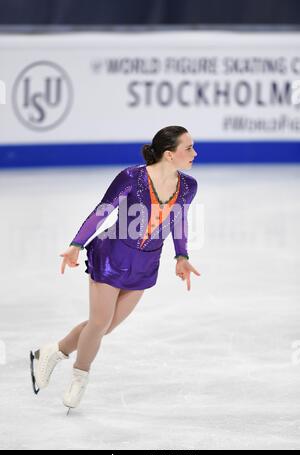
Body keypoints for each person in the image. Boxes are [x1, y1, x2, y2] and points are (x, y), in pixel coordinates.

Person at [30, 125, 201, 413]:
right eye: (188, 148)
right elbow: (102, 211)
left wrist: (181, 255)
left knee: (103, 328)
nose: (194, 153)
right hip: (111, 257)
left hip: (145, 265)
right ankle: (79, 377)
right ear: (169, 155)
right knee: (98, 323)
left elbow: (178, 221)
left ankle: (51, 352)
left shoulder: (188, 186)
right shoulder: (131, 178)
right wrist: (77, 244)